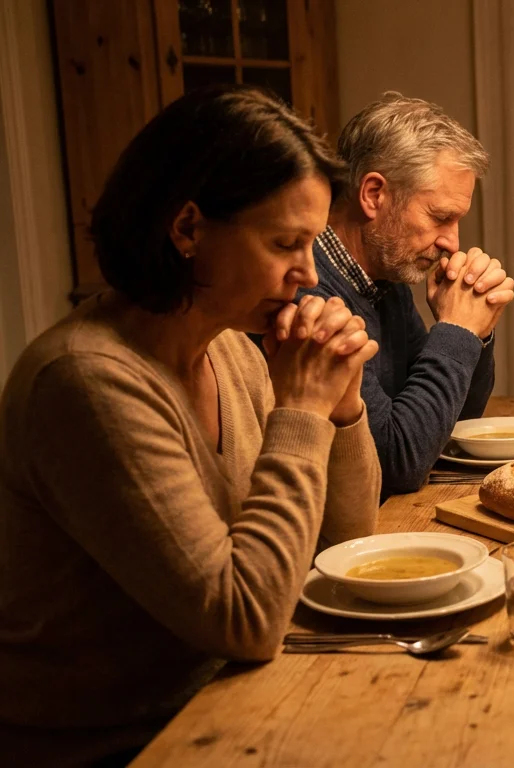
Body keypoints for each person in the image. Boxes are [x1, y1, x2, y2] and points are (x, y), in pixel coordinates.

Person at [0, 86, 381, 765]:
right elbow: (245, 619)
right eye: (285, 243)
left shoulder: (233, 349)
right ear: (186, 229)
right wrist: (299, 411)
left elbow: (347, 538)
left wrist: (341, 402)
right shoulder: (87, 380)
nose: (309, 274)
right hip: (121, 744)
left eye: (313, 244)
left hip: (230, 704)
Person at [305, 93, 514, 498]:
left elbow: (447, 423)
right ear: (373, 194)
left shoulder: (383, 277)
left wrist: (477, 331)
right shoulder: (311, 295)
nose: (452, 243)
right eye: (440, 217)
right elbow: (397, 462)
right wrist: (457, 329)